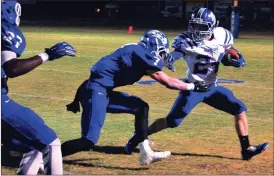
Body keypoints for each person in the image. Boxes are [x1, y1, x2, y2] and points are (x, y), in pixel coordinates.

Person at [125, 8, 269, 161]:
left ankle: (246, 149)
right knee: (172, 121)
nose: (196, 30)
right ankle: (138, 137)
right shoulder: (187, 41)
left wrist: (236, 58)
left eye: (202, 26)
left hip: (212, 88)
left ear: (212, 27)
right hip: (193, 88)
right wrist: (169, 58)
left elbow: (232, 52)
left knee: (239, 108)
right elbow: (177, 53)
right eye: (194, 25)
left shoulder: (221, 36)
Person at [62, 29, 208, 165]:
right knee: (89, 140)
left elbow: (163, 62)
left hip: (100, 91)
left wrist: (179, 53)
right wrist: (193, 86)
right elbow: (167, 81)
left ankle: (146, 152)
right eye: (160, 51)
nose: (161, 54)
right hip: (95, 92)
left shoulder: (138, 53)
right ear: (155, 45)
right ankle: (48, 154)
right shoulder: (140, 53)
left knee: (140, 107)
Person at [1, 1, 76, 174]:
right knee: (51, 142)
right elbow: (11, 68)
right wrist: (47, 55)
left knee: (31, 146)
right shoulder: (6, 28)